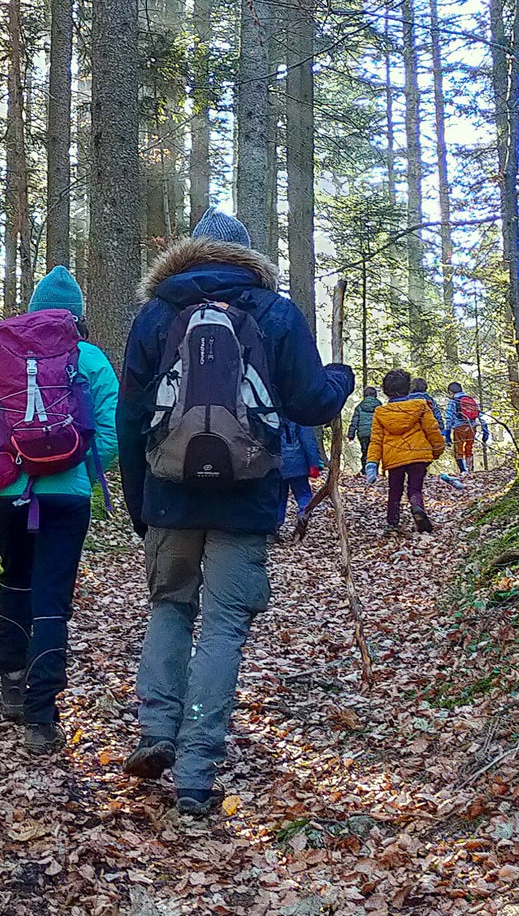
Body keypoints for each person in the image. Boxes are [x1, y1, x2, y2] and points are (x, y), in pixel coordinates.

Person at [116, 207, 353, 819]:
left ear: (191, 252)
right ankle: (195, 771)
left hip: (169, 494)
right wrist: (340, 379)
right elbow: (310, 401)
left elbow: (132, 417)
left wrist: (138, 498)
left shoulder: (156, 314)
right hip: (247, 501)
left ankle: (155, 733)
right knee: (222, 628)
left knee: (169, 609)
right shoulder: (274, 313)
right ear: (249, 256)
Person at [0, 267, 118, 758]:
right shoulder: (90, 358)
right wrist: (80, 475)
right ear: (79, 316)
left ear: (33, 309)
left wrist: (6, 465)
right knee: (52, 595)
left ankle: (11, 683)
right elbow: (110, 432)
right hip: (66, 496)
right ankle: (41, 718)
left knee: (16, 578)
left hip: (6, 494)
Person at [369, 369, 445, 536]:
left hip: (394, 458)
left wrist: (372, 462)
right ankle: (417, 507)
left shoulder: (381, 413)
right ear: (408, 388)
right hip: (418, 454)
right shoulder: (420, 406)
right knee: (415, 488)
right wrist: (437, 450)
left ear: (384, 390)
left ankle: (392, 524)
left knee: (394, 490)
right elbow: (432, 430)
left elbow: (375, 440)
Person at [279, 419, 323, 524]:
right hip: (297, 462)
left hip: (277, 462)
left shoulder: (271, 411)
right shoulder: (299, 413)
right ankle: (304, 515)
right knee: (303, 493)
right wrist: (314, 464)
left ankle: (274, 528)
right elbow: (308, 440)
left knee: (278, 497)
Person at [447, 380, 488, 474]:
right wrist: (485, 429)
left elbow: (449, 418)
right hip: (472, 427)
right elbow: (480, 415)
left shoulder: (453, 401)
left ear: (450, 392)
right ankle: (470, 469)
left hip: (459, 427)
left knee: (458, 449)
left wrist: (447, 432)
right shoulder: (470, 399)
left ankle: (463, 471)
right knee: (469, 448)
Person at [348, 384, 379, 479]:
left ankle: (365, 470)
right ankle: (374, 472)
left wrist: (351, 434)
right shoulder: (379, 405)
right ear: (375, 395)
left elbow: (354, 421)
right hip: (375, 433)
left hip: (363, 433)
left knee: (365, 451)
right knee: (375, 452)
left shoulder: (360, 406)